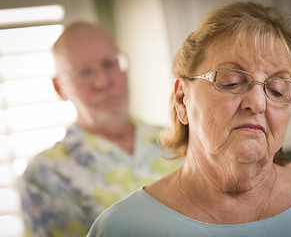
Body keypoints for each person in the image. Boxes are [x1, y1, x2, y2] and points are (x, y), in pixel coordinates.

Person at [87, 1, 291, 237]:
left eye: (277, 89)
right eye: (230, 82)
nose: (257, 103)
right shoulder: (122, 228)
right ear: (183, 99)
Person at [19, 21, 179, 237]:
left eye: (109, 64)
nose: (102, 82)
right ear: (59, 88)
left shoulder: (181, 140)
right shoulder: (46, 174)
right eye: (84, 72)